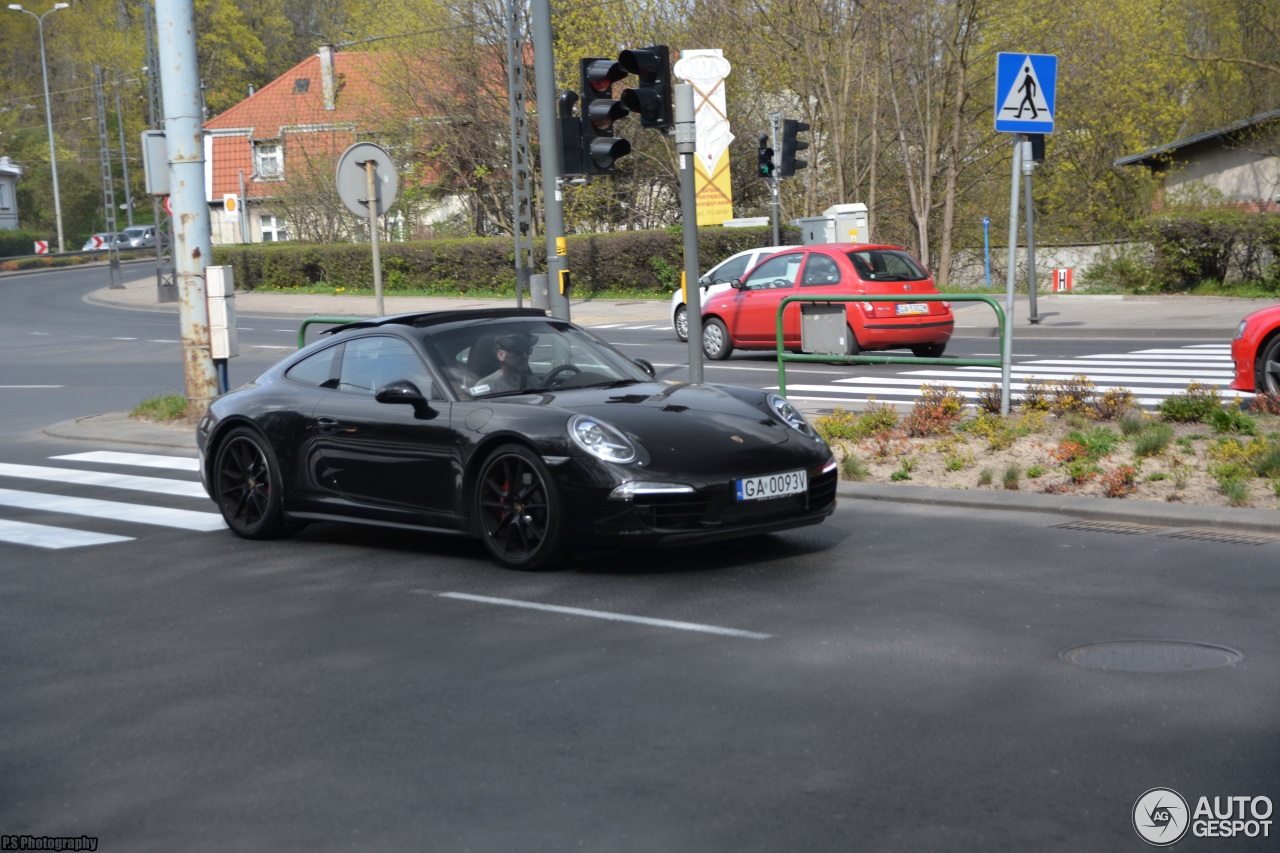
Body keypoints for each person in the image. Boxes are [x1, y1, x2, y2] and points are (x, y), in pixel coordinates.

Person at [472, 331, 536, 394]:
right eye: (518, 352)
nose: (525, 356)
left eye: (528, 351)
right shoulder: (486, 386)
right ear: (501, 355)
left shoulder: (534, 382)